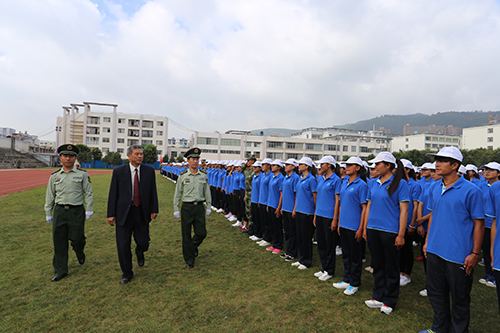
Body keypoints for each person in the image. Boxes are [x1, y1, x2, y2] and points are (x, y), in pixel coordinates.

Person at [420, 147, 485, 333]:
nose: (436, 164)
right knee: (436, 294)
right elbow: (433, 215)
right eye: (436, 160)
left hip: (458, 255)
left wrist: (474, 253)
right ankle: (439, 328)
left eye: (442, 160)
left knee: (459, 298)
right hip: (434, 250)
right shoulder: (434, 187)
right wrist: (427, 242)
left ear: (455, 165)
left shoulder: (471, 190)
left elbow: (479, 224)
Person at [363, 152, 409, 316]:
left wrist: (401, 234)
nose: (374, 167)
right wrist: (366, 227)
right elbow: (369, 206)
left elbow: (404, 211)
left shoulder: (400, 184)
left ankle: (389, 300)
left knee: (391, 267)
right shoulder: (373, 183)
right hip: (373, 229)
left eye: (377, 164)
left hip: (390, 231)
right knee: (377, 265)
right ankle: (378, 296)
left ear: (388, 165)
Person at [107, 145, 159, 284]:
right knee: (123, 245)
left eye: (141, 154)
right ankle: (127, 273)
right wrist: (111, 214)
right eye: (136, 154)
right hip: (123, 214)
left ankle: (140, 252)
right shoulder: (119, 172)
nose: (140, 156)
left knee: (143, 242)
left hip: (142, 212)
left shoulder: (149, 171)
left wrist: (154, 209)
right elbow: (113, 194)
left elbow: (153, 191)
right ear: (129, 155)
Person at [44, 144, 94, 282]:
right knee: (59, 241)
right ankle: (61, 270)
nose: (68, 158)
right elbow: (50, 195)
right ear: (60, 157)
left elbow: (88, 193)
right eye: (65, 155)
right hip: (60, 211)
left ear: (75, 158)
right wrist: (48, 211)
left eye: (71, 156)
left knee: (77, 239)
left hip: (76, 211)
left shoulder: (82, 174)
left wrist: (89, 208)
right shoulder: (54, 176)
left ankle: (79, 251)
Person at [333, 156, 368, 296]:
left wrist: (361, 228)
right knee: (346, 254)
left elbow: (364, 208)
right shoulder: (344, 182)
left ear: (358, 168)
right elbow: (341, 204)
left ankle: (354, 283)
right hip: (344, 224)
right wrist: (340, 222)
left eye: (350, 165)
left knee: (355, 257)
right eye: (346, 165)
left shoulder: (362, 185)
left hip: (355, 226)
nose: (346, 167)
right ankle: (347, 279)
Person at [173, 147, 211, 269]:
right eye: (193, 159)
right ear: (188, 161)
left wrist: (209, 206)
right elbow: (178, 193)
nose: (195, 161)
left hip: (199, 207)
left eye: (197, 159)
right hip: (187, 208)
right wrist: (175, 208)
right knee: (186, 234)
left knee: (201, 233)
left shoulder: (203, 175)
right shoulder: (183, 176)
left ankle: (192, 247)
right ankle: (189, 259)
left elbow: (207, 192)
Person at [313, 155, 342, 281]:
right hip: (319, 214)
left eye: (322, 164)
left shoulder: (336, 180)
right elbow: (318, 198)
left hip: (329, 216)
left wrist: (335, 219)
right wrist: (315, 215)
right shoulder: (321, 179)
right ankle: (324, 268)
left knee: (329, 244)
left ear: (329, 165)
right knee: (321, 243)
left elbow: (337, 201)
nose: (320, 167)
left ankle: (330, 270)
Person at [292, 157, 318, 270]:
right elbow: (297, 195)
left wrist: (315, 213)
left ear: (307, 166)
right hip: (299, 211)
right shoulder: (300, 178)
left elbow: (315, 197)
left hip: (308, 212)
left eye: (301, 164)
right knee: (300, 236)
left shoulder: (311, 179)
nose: (298, 166)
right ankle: (301, 258)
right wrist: (295, 209)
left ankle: (307, 261)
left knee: (306, 237)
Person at [479, 162, 500, 287]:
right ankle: (489, 273)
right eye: (486, 169)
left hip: (493, 222)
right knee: (486, 248)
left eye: (491, 170)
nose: (487, 172)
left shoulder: (496, 187)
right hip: (485, 222)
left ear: (498, 173)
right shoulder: (482, 186)